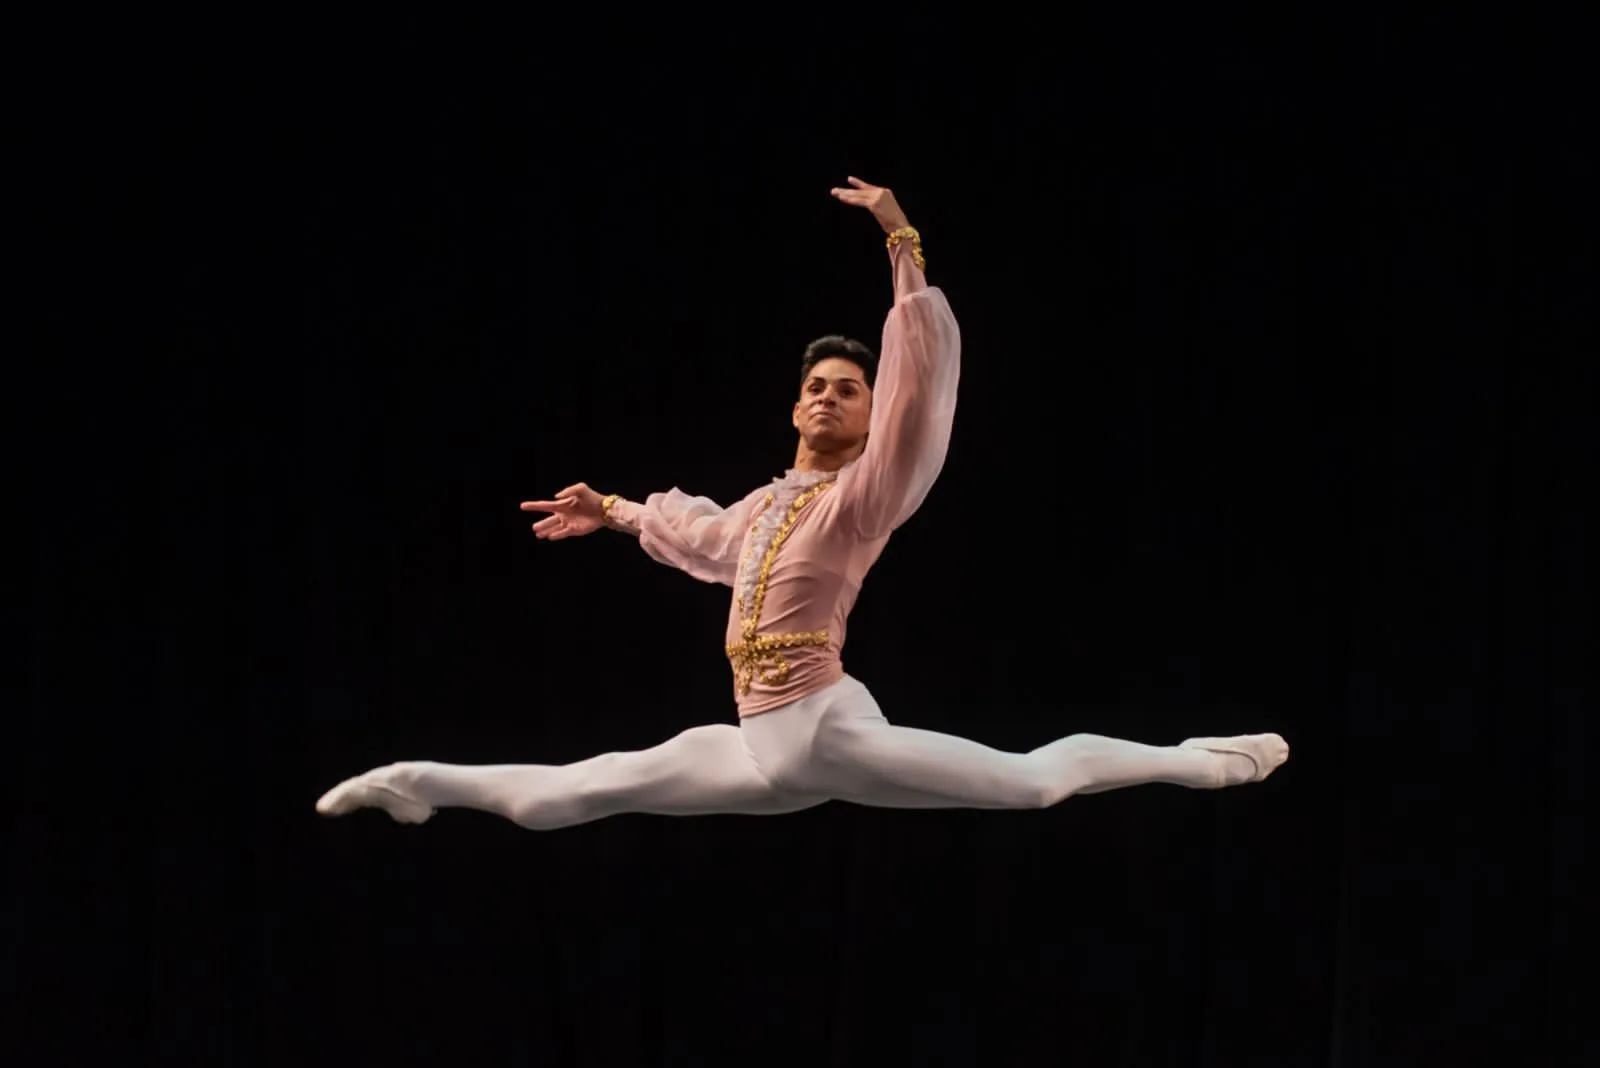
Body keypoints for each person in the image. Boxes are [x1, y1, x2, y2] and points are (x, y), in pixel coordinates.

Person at [315, 177, 1288, 829]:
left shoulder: (861, 497)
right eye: (816, 384)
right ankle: (414, 782)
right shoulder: (759, 511)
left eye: (849, 389)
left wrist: (900, 240)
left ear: (871, 421)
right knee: (558, 801)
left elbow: (917, 389)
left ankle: (1207, 760)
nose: (828, 394)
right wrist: (607, 506)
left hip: (823, 732)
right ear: (792, 403)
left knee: (1033, 785)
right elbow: (688, 531)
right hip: (759, 742)